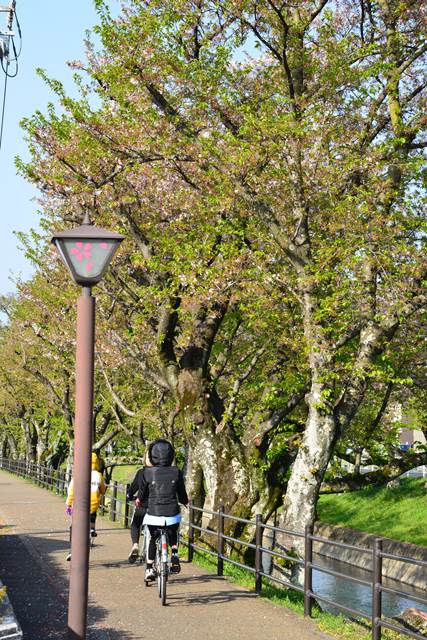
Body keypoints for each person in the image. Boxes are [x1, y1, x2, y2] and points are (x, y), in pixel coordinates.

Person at [136, 439, 188, 581]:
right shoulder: (176, 472)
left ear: (152, 456)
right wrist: (185, 502)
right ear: (170, 455)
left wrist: (139, 500)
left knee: (153, 537)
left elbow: (142, 493)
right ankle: (175, 554)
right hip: (172, 512)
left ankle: (149, 568)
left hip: (154, 512)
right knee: (173, 530)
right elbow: (182, 494)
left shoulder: (148, 472)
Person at [65, 452, 107, 561]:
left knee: (73, 527)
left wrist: (69, 504)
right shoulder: (99, 475)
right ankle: (92, 528)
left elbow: (72, 491)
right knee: (93, 509)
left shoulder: (78, 474)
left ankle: (72, 551)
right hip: (92, 505)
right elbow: (103, 489)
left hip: (79, 506)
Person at [126, 451, 151, 563]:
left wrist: (130, 495)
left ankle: (135, 544)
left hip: (143, 506)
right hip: (160, 507)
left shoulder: (141, 472)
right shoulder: (165, 472)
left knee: (135, 524)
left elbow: (133, 487)